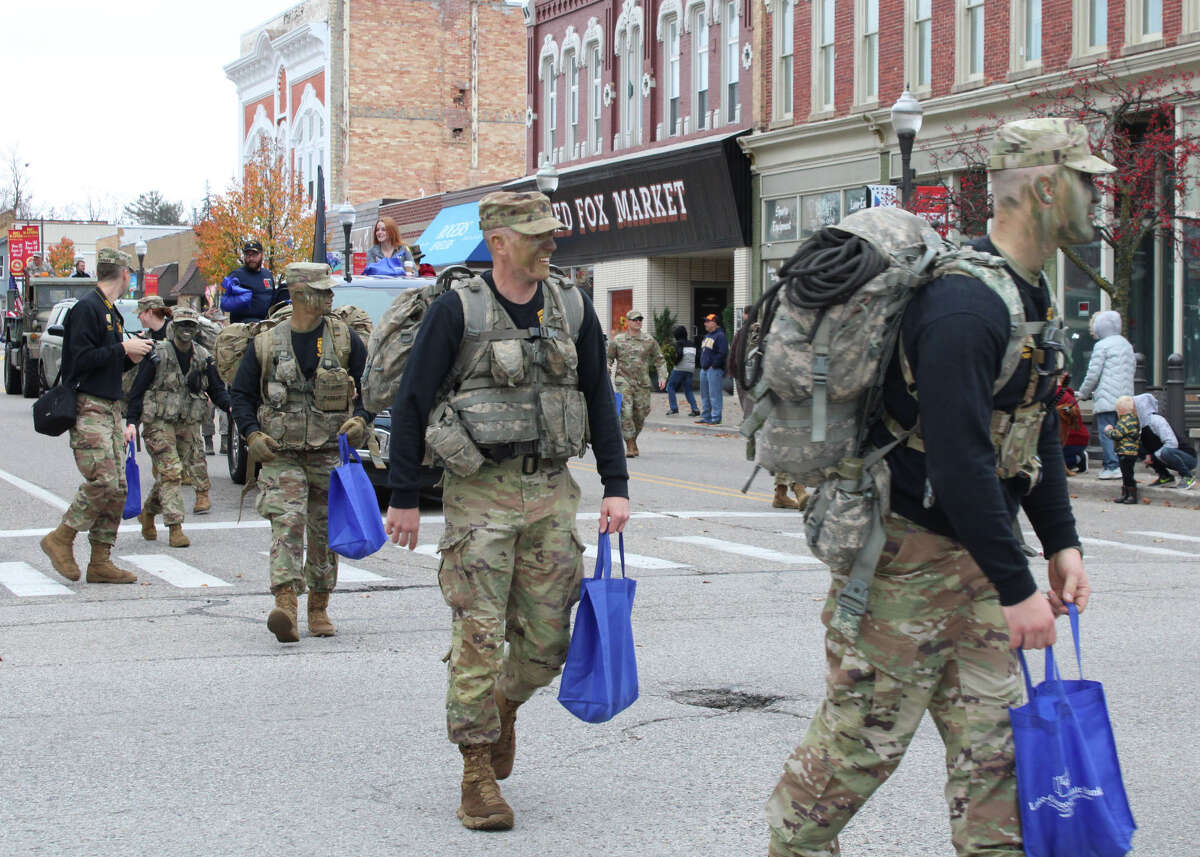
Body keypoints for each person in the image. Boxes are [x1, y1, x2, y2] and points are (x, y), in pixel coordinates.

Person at [765, 118, 1096, 857]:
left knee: (1000, 751)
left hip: (977, 560)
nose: (1097, 195)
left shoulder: (1026, 296)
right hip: (903, 562)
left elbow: (1030, 427)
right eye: (1086, 180)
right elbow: (959, 461)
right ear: (1046, 188)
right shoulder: (962, 307)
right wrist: (1019, 588)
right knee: (861, 745)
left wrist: (1063, 542)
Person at [384, 191, 629, 832]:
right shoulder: (455, 311)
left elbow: (599, 395)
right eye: (536, 235)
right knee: (478, 636)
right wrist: (405, 497)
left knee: (550, 644)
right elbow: (411, 403)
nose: (550, 244)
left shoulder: (574, 306)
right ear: (497, 241)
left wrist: (616, 483)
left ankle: (504, 706)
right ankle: (476, 775)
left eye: (552, 233)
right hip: (478, 497)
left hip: (551, 492)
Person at [230, 262, 370, 643]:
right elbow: (240, 395)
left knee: (324, 532)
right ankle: (286, 605)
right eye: (321, 291)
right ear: (297, 295)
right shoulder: (265, 343)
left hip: (328, 453)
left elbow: (371, 386)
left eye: (329, 290)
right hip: (282, 454)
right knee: (286, 524)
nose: (329, 296)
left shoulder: (344, 339)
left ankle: (319, 605)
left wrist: (361, 420)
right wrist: (252, 434)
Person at [39, 248, 155, 584]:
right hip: (87, 406)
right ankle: (61, 537)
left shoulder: (111, 312)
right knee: (102, 480)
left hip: (109, 407)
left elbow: (105, 362)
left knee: (118, 487)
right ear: (122, 274)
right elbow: (80, 360)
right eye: (130, 273)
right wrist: (122, 349)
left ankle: (100, 560)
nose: (130, 279)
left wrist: (131, 357)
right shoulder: (87, 309)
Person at [125, 307, 231, 545]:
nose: (186, 331)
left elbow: (216, 389)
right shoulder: (158, 354)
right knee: (172, 471)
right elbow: (138, 389)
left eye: (191, 326)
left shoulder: (204, 356)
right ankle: (175, 527)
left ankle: (149, 512)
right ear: (173, 327)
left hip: (188, 423)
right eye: (182, 325)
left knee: (169, 475)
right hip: (159, 423)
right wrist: (131, 422)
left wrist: (231, 407)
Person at [1076, 310, 1134, 480]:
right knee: (1123, 433)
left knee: (1107, 432)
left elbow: (1093, 374)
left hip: (1107, 398)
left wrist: (1083, 393)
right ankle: (1125, 466)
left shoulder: (1102, 345)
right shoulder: (1126, 344)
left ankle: (1112, 466)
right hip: (1126, 398)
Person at [607, 309, 667, 457]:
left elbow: (659, 359)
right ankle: (629, 444)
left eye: (640, 319)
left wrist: (662, 376)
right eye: (635, 320)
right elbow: (608, 358)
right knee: (626, 413)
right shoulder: (618, 340)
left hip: (642, 382)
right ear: (628, 322)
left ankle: (633, 438)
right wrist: (606, 370)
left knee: (641, 414)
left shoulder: (649, 340)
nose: (638, 322)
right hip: (623, 381)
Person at [1135, 392, 1197, 489]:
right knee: (1135, 447)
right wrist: (1146, 455)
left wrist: (1153, 457)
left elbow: (1172, 443)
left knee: (1166, 451)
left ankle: (1187, 477)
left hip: (1186, 457)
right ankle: (1165, 476)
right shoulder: (1139, 424)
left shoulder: (1156, 420)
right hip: (1163, 456)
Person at [224, 240, 284, 323]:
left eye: (254, 254)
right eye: (248, 255)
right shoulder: (236, 276)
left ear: (262, 254)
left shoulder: (267, 275)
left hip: (267, 322)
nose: (251, 258)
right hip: (243, 325)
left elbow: (272, 299)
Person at [1104, 395, 1141, 504]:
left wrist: (1108, 430)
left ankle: (1131, 495)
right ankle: (1126, 494)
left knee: (1127, 474)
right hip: (1131, 451)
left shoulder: (1125, 421)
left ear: (1120, 410)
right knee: (1126, 473)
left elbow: (1117, 435)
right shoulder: (1133, 419)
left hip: (1126, 451)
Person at [1054, 373, 1090, 475]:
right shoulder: (1064, 394)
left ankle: (1078, 458)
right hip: (1074, 438)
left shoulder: (1057, 394)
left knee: (1052, 462)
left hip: (1072, 439)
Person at [696, 313, 728, 425]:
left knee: (714, 394)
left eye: (707, 321)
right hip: (704, 369)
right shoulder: (707, 336)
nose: (705, 323)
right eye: (705, 321)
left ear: (714, 323)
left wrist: (713, 365)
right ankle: (706, 416)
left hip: (714, 369)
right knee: (705, 394)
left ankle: (716, 417)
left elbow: (723, 352)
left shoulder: (720, 336)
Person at [664, 324, 700, 416]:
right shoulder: (692, 343)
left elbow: (679, 354)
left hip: (680, 368)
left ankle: (674, 408)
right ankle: (695, 409)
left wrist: (675, 362)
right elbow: (698, 356)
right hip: (690, 369)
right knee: (688, 389)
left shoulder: (679, 343)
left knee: (670, 386)